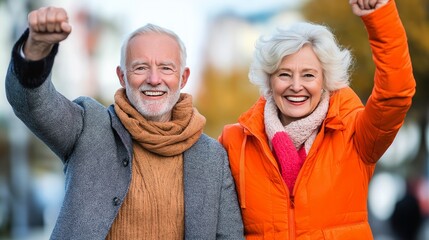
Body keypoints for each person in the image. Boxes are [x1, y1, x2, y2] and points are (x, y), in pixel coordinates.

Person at [5, 6, 244, 240]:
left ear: (183, 78)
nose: (153, 79)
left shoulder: (212, 157)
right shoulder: (89, 127)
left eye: (166, 68)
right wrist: (35, 50)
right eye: (140, 67)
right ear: (122, 76)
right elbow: (32, 104)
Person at [219, 0, 415, 238]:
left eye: (309, 75)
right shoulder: (234, 142)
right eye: (284, 74)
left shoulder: (354, 134)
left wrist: (380, 19)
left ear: (325, 81)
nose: (296, 86)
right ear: (269, 79)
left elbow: (395, 94)